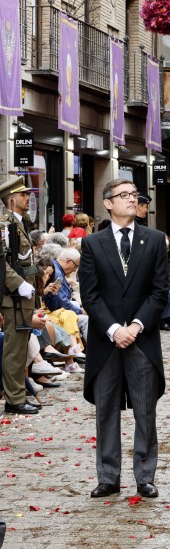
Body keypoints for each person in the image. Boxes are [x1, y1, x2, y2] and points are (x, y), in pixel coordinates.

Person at [79, 179, 170, 499]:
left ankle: (145, 475)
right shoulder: (92, 243)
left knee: (145, 409)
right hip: (106, 342)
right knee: (105, 409)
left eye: (135, 195)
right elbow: (90, 296)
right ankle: (108, 476)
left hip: (142, 340)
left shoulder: (156, 240)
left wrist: (136, 326)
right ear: (108, 203)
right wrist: (113, 329)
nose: (132, 200)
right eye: (125, 195)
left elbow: (160, 292)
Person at [1, 176, 46, 415]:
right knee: (14, 350)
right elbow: (2, 262)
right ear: (11, 199)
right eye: (22, 195)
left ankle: (18, 394)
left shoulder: (19, 221)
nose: (28, 198)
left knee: (20, 348)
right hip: (14, 296)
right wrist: (18, 284)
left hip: (24, 296)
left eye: (27, 195)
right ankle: (14, 398)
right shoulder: (4, 223)